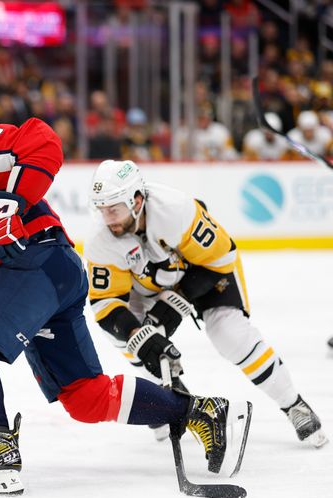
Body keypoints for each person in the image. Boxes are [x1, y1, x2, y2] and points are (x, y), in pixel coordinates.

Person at [0, 100, 253, 496]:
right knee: (84, 397)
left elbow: (40, 141)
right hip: (31, 281)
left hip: (40, 258)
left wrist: (12, 201)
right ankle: (203, 412)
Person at [83, 159, 326, 448]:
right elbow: (106, 303)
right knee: (133, 340)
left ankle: (293, 403)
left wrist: (178, 300)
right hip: (147, 287)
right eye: (101, 209)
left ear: (136, 200)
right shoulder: (101, 239)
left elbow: (221, 258)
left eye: (113, 208)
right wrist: (141, 336)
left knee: (230, 335)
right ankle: (171, 402)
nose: (107, 218)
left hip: (203, 273)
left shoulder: (176, 210)